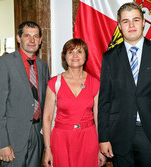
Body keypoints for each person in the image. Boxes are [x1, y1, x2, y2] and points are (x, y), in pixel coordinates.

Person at [98, 2, 151, 167]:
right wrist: (103, 138)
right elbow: (104, 101)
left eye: (135, 20)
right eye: (125, 21)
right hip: (120, 135)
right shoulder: (109, 57)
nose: (131, 25)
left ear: (144, 22)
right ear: (119, 26)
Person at [0, 21, 50, 166]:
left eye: (36, 36)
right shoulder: (4, 63)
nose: (32, 40)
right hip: (13, 137)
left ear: (41, 40)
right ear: (18, 38)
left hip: (37, 133)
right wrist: (3, 143)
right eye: (27, 36)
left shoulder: (43, 66)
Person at [42, 38, 106, 167]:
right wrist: (47, 148)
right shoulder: (55, 83)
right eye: (70, 52)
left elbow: (99, 118)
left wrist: (101, 147)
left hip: (88, 139)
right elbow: (47, 118)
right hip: (61, 140)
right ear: (64, 57)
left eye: (79, 51)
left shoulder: (95, 83)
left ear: (86, 56)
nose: (75, 55)